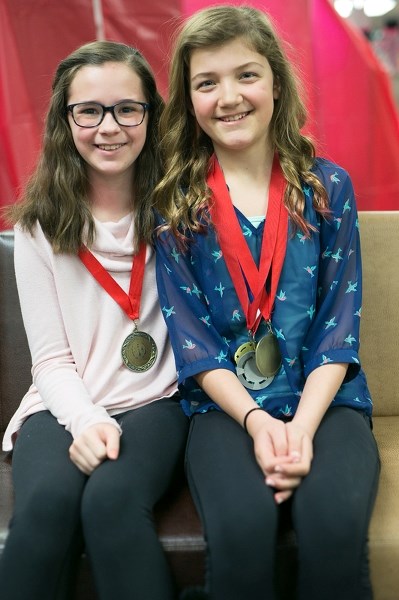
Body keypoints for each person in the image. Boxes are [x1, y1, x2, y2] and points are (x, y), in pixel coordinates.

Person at [153, 5, 380, 600]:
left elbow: (339, 326)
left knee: (332, 528)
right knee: (242, 530)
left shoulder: (328, 187)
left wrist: (301, 427)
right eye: (208, 82)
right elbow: (192, 343)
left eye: (246, 75)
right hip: (225, 410)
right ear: (189, 98)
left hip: (326, 404)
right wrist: (257, 422)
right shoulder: (175, 202)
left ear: (276, 81)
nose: (229, 97)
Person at [0, 40, 188, 600]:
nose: (110, 127)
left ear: (150, 116)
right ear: (66, 119)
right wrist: (84, 421)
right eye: (90, 111)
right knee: (44, 509)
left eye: (127, 108)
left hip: (157, 401)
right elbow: (52, 360)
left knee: (112, 503)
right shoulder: (39, 227)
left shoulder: (182, 211)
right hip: (61, 405)